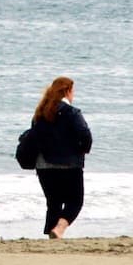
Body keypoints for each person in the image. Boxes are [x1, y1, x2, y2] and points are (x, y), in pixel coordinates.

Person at [30, 76, 92, 239]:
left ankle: (51, 236)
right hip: (69, 165)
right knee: (75, 201)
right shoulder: (72, 112)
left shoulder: (40, 112)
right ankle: (59, 229)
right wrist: (82, 151)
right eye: (73, 91)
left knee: (53, 203)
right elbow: (85, 135)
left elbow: (34, 137)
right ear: (67, 91)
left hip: (43, 165)